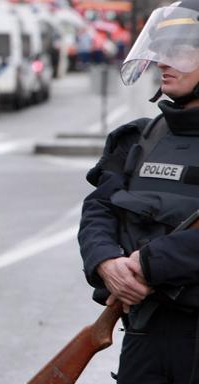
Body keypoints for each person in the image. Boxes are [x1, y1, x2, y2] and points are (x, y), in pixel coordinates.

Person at [80, 1, 199, 382]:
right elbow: (98, 208)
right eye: (162, 50)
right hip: (144, 334)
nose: (164, 61)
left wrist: (147, 265)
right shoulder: (139, 139)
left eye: (180, 50)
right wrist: (105, 263)